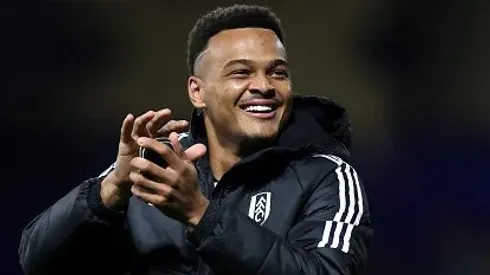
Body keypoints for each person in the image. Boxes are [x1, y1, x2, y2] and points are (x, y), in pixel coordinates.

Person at [19, 4, 373, 275]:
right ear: (197, 91)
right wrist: (111, 189)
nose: (264, 86)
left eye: (277, 72)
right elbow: (35, 260)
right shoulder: (155, 165)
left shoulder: (326, 176)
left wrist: (200, 215)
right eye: (242, 72)